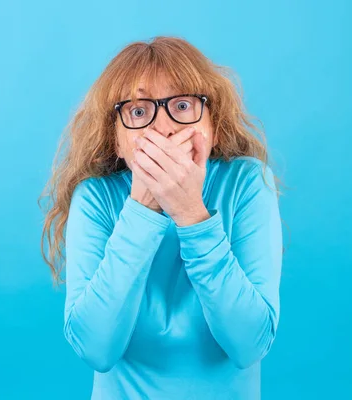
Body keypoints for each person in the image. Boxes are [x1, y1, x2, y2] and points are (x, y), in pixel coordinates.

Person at [40, 36, 284, 400]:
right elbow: (96, 349)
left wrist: (192, 215)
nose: (164, 128)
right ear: (117, 140)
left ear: (212, 124)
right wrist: (141, 209)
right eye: (139, 112)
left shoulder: (247, 183)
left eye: (182, 104)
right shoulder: (95, 198)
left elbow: (249, 345)